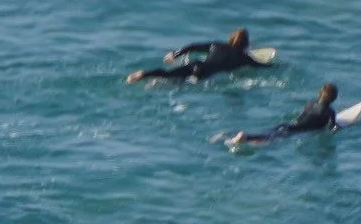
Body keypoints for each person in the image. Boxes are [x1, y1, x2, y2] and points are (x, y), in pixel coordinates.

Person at [225, 82, 341, 146]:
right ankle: (245, 137)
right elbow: (332, 128)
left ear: (319, 94)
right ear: (333, 98)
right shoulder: (329, 112)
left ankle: (231, 135)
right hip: (296, 131)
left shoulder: (310, 103)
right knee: (269, 140)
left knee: (267, 133)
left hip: (288, 125)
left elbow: (301, 117)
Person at [129, 28, 260, 83]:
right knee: (179, 84)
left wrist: (175, 54)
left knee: (168, 75)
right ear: (246, 44)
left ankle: (144, 74)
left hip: (196, 64)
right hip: (204, 73)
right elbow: (262, 66)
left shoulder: (216, 45)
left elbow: (192, 46)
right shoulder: (244, 58)